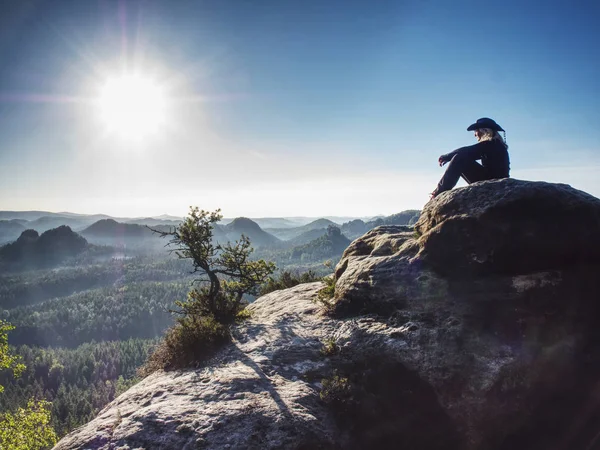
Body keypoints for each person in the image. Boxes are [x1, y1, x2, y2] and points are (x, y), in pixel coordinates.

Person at [430, 117, 510, 198]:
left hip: (493, 182)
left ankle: (440, 191)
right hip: (494, 179)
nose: (475, 134)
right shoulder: (495, 145)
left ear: (483, 131)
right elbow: (469, 152)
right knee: (461, 158)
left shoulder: (491, 144)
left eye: (476, 131)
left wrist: (446, 157)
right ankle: (440, 190)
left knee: (459, 158)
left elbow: (465, 151)